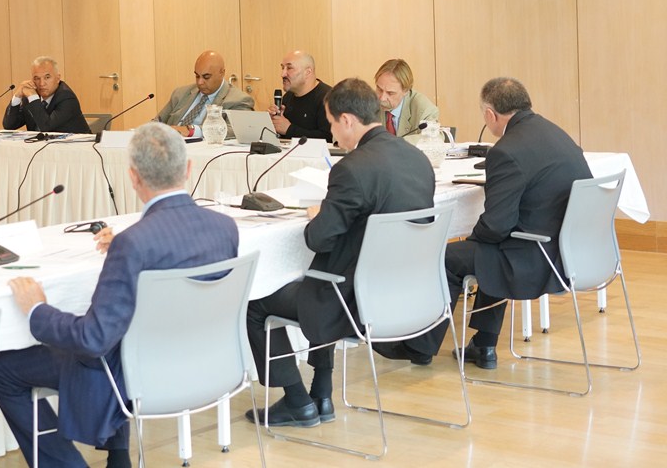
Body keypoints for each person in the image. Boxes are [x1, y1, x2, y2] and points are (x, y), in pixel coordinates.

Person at [0, 122, 239, 468]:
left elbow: (92, 339)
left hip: (137, 375)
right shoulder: (224, 227)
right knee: (119, 333)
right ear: (188, 168)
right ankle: (118, 458)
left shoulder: (135, 244)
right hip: (206, 364)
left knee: (1, 367)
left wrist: (38, 310)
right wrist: (124, 248)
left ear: (133, 177)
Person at [245, 78, 434, 427]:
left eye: (332, 123)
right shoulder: (416, 157)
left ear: (347, 120)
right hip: (406, 294)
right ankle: (321, 392)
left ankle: (297, 401)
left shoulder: (352, 168)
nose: (332, 133)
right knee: (326, 276)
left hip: (355, 302)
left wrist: (319, 215)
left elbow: (318, 240)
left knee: (258, 299)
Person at [416, 77, 592, 369]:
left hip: (539, 258)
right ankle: (483, 345)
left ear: (490, 114)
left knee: (447, 257)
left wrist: (473, 239)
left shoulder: (506, 151)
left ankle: (419, 348)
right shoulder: (555, 132)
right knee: (487, 249)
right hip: (573, 250)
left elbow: (496, 226)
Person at [155, 50, 253, 138]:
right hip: (171, 146)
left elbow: (237, 130)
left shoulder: (239, 99)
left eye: (206, 77)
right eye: (197, 76)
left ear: (222, 73)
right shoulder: (180, 93)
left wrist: (192, 131)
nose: (200, 82)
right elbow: (157, 122)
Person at [2, 56, 90, 134]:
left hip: (77, 146)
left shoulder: (67, 98)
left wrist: (33, 97)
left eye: (47, 77)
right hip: (43, 145)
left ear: (58, 78)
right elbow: (9, 126)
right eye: (37, 78)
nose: (41, 83)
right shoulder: (31, 96)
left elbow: (46, 127)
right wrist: (17, 96)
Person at [269, 50, 332, 141]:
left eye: (289, 68)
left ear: (308, 72)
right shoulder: (288, 97)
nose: (282, 74)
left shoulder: (329, 98)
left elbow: (328, 138)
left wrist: (289, 129)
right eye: (282, 68)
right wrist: (273, 123)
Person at [374, 58, 438, 137]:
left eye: (390, 93)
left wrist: (397, 142)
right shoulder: (369, 104)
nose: (382, 98)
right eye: (379, 89)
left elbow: (435, 137)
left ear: (406, 91)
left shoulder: (424, 109)